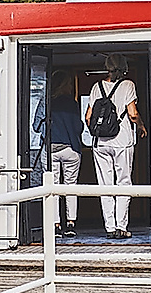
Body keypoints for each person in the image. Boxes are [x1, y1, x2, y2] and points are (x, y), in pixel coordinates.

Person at [87, 58, 144, 240]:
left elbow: (88, 117)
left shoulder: (97, 87)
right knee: (123, 183)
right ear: (124, 68)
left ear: (107, 68)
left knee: (105, 185)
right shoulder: (128, 85)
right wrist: (142, 126)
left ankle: (109, 227)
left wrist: (98, 132)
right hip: (122, 141)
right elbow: (133, 114)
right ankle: (121, 226)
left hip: (100, 143)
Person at [45, 79, 89, 234]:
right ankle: (71, 222)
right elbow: (78, 127)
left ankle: (56, 224)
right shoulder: (72, 104)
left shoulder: (46, 102)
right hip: (70, 148)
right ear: (65, 86)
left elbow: (36, 126)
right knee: (71, 186)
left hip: (52, 149)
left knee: (54, 187)